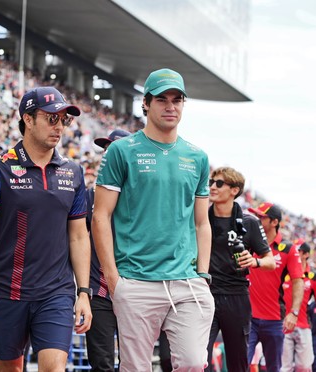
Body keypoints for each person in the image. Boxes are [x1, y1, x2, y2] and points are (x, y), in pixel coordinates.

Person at [92, 68, 214, 372]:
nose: (170, 106)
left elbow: (202, 223)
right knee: (136, 368)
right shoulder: (121, 151)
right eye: (162, 99)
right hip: (135, 280)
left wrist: (202, 273)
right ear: (146, 104)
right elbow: (100, 216)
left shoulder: (197, 157)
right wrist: (114, 279)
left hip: (186, 281)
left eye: (177, 99)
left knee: (193, 363)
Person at [0, 86, 92, 372]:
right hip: (6, 290)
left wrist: (83, 291)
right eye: (52, 118)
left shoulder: (72, 172)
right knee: (9, 368)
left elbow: (78, 235)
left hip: (56, 292)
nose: (59, 126)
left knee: (53, 368)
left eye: (64, 120)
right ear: (27, 118)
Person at [205, 167, 276, 372]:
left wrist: (254, 262)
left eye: (219, 183)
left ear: (234, 190)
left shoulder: (249, 222)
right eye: (211, 182)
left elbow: (270, 261)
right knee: (198, 359)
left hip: (236, 297)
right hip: (205, 294)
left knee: (238, 363)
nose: (213, 187)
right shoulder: (201, 218)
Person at [85, 129, 131, 372]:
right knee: (101, 364)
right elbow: (75, 236)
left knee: (133, 364)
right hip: (99, 291)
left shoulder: (141, 196)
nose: (107, 155)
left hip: (134, 290)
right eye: (105, 150)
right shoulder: (89, 195)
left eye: (113, 150)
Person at [246, 202, 304, 372]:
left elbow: (298, 280)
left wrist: (294, 313)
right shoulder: (248, 243)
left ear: (274, 222)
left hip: (274, 320)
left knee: (273, 367)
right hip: (247, 318)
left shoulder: (288, 249)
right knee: (241, 365)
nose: (256, 219)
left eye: (261, 217)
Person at [281, 242, 316, 372]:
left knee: (304, 367)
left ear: (306, 254)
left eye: (298, 251)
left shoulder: (313, 277)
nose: (294, 253)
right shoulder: (283, 272)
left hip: (303, 326)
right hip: (282, 325)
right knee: (283, 367)